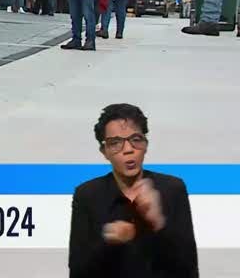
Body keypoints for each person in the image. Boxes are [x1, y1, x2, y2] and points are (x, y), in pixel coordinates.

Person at [68, 104, 198, 278]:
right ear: (104, 151)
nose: (128, 150)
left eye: (136, 139)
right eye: (115, 143)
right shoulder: (87, 195)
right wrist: (110, 241)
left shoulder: (172, 189)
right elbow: (78, 271)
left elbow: (188, 269)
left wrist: (157, 224)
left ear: (146, 144)